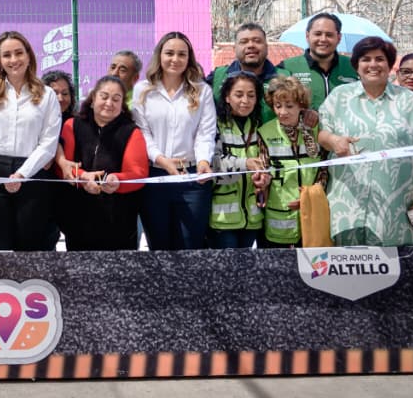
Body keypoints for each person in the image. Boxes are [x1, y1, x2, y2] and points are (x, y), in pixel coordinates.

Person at [318, 36, 413, 246]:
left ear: (390, 65)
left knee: (396, 264)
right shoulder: (339, 97)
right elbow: (321, 134)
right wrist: (334, 140)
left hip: (396, 210)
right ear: (356, 65)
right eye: (366, 59)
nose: (373, 64)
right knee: (345, 264)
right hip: (346, 206)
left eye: (379, 59)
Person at [0, 31, 62, 252]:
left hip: (31, 174)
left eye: (19, 53)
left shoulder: (47, 95)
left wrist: (22, 174)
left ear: (29, 56)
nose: (13, 60)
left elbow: (48, 144)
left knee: (28, 251)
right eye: (7, 55)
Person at [132, 32, 216, 250]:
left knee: (190, 247)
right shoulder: (143, 90)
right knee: (159, 247)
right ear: (159, 55)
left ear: (189, 58)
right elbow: (143, 133)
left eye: (182, 54)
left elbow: (205, 133)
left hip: (192, 179)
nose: (175, 59)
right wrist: (161, 160)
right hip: (154, 177)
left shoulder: (202, 91)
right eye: (169, 53)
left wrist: (203, 161)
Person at [58, 75, 148, 250]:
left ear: (122, 105)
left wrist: (117, 180)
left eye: (116, 99)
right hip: (77, 216)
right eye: (104, 97)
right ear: (93, 99)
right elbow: (63, 166)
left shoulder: (132, 132)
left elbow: (138, 173)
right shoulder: (72, 125)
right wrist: (83, 177)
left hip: (118, 219)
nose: (109, 103)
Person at [258, 76, 326, 248]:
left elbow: (324, 169)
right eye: (277, 106)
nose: (282, 112)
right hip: (279, 215)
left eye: (289, 106)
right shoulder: (264, 132)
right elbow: (263, 169)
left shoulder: (316, 129)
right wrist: (262, 182)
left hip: (313, 212)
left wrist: (309, 197)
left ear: (301, 105)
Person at [207, 73, 268, 249]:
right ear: (227, 97)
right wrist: (244, 164)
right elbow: (210, 163)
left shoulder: (258, 125)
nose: (245, 101)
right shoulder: (214, 125)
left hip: (252, 218)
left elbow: (267, 162)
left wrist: (265, 179)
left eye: (251, 95)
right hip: (222, 219)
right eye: (239, 95)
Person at [208, 23, 287, 122]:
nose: (251, 45)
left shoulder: (285, 78)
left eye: (257, 41)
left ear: (266, 47)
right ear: (234, 49)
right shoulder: (217, 77)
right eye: (244, 42)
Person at [281, 13, 358, 109]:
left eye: (329, 35)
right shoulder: (286, 68)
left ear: (339, 38)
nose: (323, 39)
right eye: (318, 34)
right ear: (307, 36)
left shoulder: (354, 66)